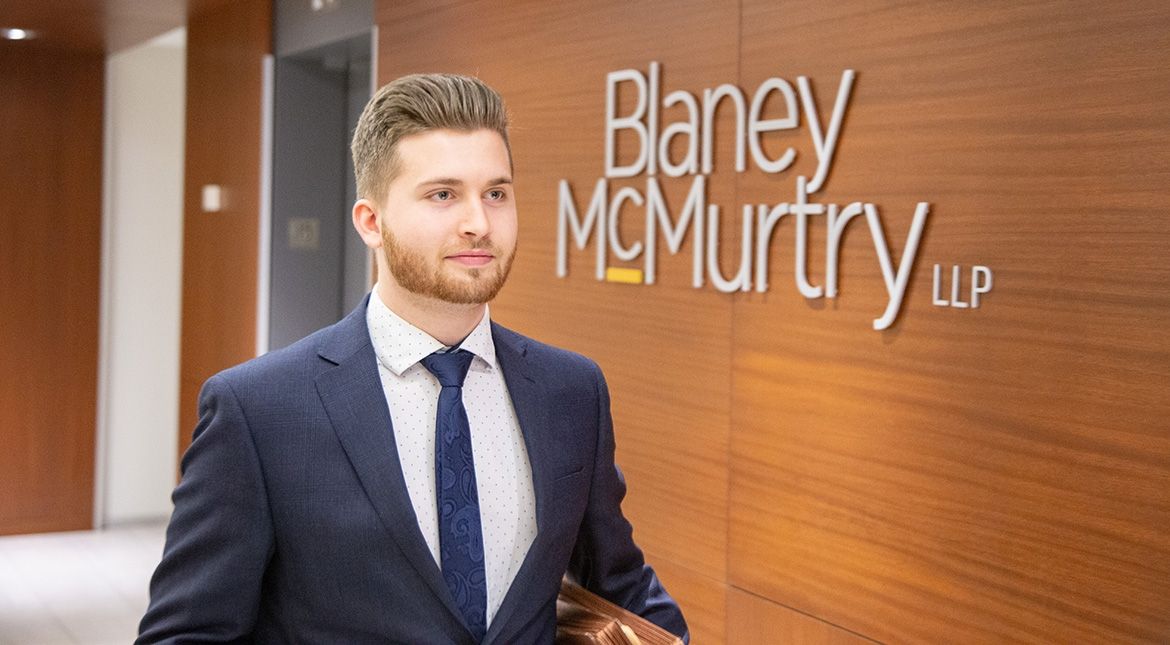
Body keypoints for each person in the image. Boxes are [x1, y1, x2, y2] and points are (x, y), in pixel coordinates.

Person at [137, 73, 689, 644]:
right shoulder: (259, 410)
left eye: (496, 193)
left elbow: (624, 588)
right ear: (371, 222)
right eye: (443, 194)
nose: (478, 221)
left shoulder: (572, 391)